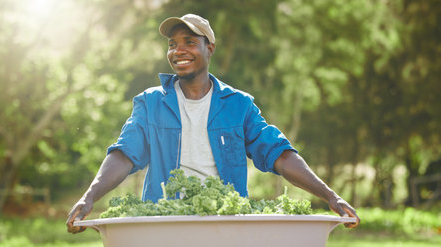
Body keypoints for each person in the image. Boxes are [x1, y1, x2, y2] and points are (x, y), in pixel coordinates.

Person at [67, 14, 360, 233]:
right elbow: (124, 154)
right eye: (172, 44)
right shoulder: (151, 103)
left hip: (226, 224)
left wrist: (330, 196)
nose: (178, 51)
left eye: (190, 43)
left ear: (210, 49)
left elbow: (279, 154)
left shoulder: (238, 105)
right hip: (164, 223)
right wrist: (89, 197)